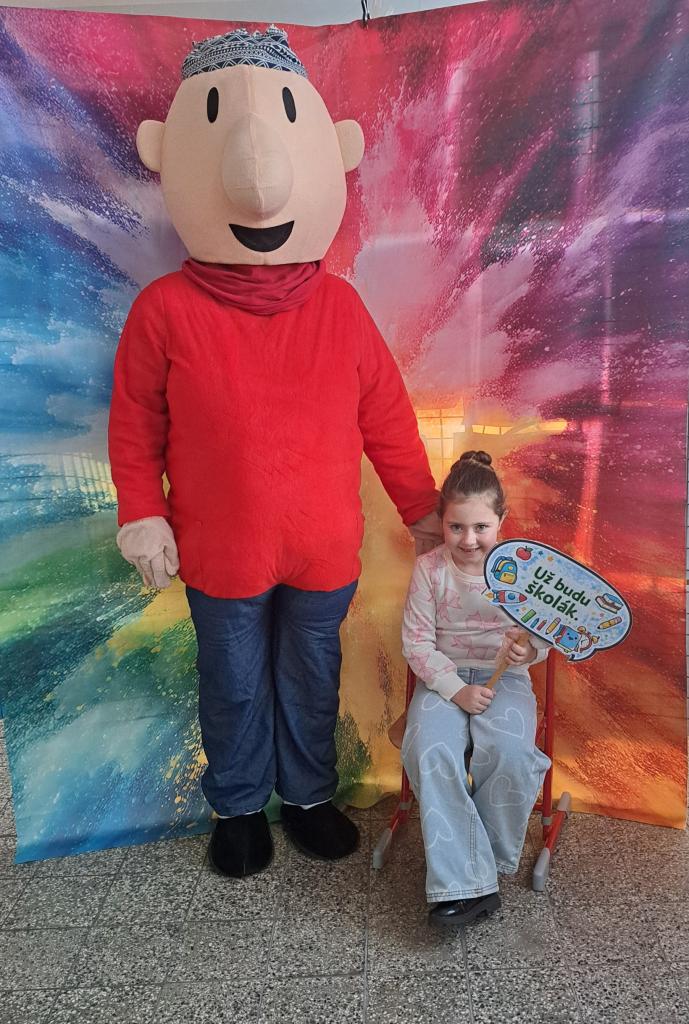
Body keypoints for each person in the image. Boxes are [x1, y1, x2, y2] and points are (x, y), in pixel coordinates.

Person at [108, 27, 441, 880]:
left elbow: (388, 420)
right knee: (231, 681)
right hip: (220, 548)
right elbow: (135, 424)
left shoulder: (341, 308)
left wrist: (424, 511)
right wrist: (142, 511)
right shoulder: (164, 310)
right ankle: (236, 804)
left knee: (311, 675)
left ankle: (307, 796)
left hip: (322, 546)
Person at [399, 451, 551, 925]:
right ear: (442, 523)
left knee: (509, 750)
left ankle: (477, 865)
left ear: (502, 520)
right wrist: (454, 690)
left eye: (481, 527)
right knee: (430, 749)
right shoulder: (430, 570)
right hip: (443, 676)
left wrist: (531, 651)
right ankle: (469, 881)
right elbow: (416, 642)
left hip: (504, 676)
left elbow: (544, 633)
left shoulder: (523, 571)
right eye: (456, 527)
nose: (469, 539)